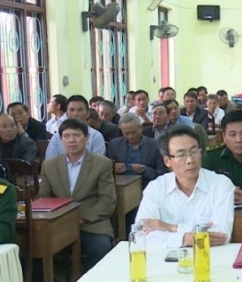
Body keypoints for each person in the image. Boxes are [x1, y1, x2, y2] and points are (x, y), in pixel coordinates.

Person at [136, 126, 234, 248]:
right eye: (181, 155)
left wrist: (170, 227)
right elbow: (140, 235)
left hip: (210, 258)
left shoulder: (221, 184)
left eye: (194, 151)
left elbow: (221, 234)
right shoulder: (156, 188)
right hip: (164, 261)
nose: (190, 160)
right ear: (167, 161)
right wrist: (185, 239)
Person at [38, 118, 116, 270]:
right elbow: (44, 199)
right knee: (36, 246)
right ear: (61, 140)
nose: (71, 140)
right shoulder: (49, 165)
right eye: (66, 136)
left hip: (92, 222)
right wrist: (63, 220)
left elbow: (108, 201)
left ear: (86, 139)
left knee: (101, 248)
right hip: (59, 222)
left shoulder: (102, 164)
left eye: (76, 135)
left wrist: (81, 219)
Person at [106, 113, 166, 189]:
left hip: (149, 186)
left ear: (141, 128)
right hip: (121, 188)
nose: (130, 136)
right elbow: (106, 171)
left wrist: (144, 170)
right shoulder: (114, 145)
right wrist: (114, 170)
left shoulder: (155, 145)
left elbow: (163, 173)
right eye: (126, 133)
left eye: (133, 132)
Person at [45, 95, 106, 159]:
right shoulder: (57, 137)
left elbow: (99, 163)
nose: (75, 114)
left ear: (88, 114)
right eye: (71, 110)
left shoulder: (96, 136)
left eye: (80, 110)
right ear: (67, 114)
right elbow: (50, 162)